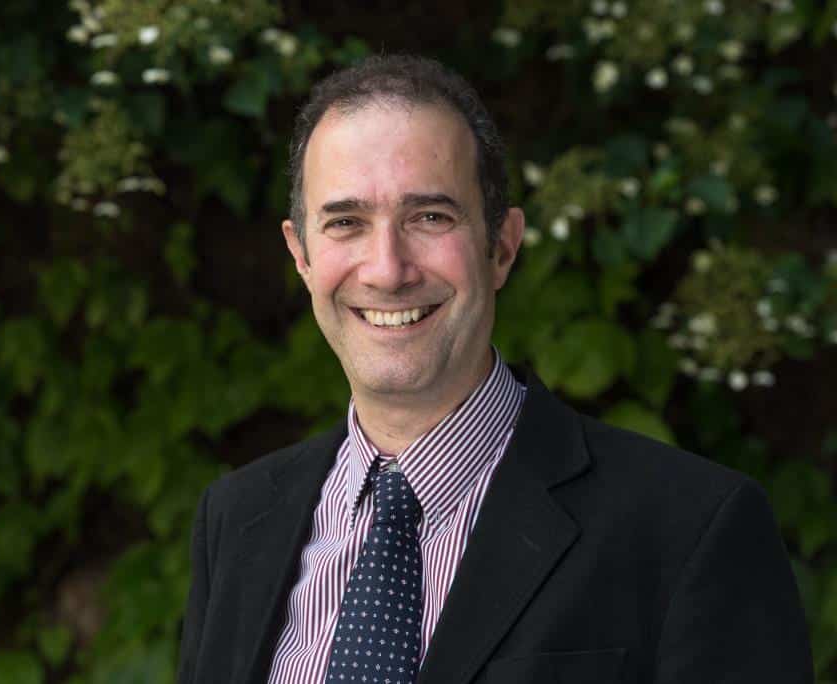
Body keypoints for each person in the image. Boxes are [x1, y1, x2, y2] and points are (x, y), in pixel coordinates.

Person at [176, 54, 813, 684]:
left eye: (430, 217)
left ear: (502, 246)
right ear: (302, 254)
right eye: (346, 222)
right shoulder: (236, 519)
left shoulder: (692, 528)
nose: (387, 269)